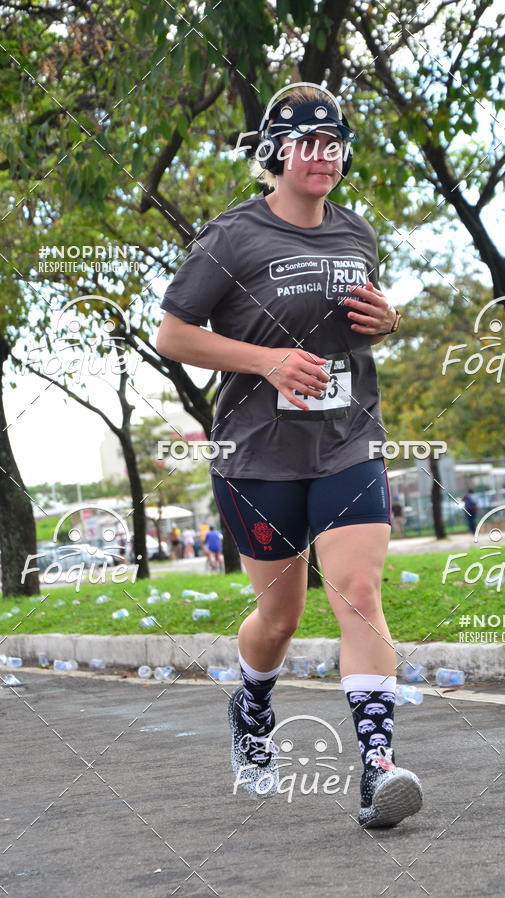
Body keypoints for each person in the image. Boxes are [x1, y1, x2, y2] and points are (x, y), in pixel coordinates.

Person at [156, 82, 422, 829]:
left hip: (348, 443)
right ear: (275, 152)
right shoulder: (230, 236)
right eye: (307, 142)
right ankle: (252, 706)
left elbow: (356, 327)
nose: (322, 155)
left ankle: (376, 769)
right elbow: (174, 334)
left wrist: (387, 319)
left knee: (360, 596)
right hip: (256, 456)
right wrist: (268, 362)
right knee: (280, 615)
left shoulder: (357, 233)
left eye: (333, 142)